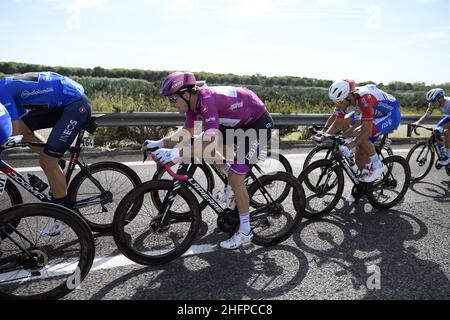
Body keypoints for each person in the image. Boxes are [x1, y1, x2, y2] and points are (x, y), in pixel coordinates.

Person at [141, 71, 274, 250]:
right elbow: (187, 133)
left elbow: (209, 138)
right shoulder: (191, 105)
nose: (171, 104)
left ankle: (245, 232)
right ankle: (230, 181)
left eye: (173, 99)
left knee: (236, 176)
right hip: (236, 122)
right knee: (207, 151)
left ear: (186, 94)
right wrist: (158, 143)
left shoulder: (206, 99)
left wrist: (174, 154)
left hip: (256, 123)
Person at [0, 72, 92, 235]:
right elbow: (18, 125)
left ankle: (63, 216)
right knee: (24, 128)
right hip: (62, 101)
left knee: (47, 162)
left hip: (76, 105)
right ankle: (59, 163)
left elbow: (12, 131)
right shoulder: (4, 85)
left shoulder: (2, 92)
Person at [327, 80, 401, 183]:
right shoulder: (345, 100)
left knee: (359, 133)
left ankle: (377, 165)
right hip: (375, 114)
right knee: (359, 153)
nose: (338, 105)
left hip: (390, 115)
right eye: (335, 102)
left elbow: (366, 130)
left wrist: (349, 145)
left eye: (339, 101)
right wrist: (323, 135)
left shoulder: (364, 98)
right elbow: (338, 122)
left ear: (349, 96)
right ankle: (363, 186)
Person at [412, 88, 450, 165]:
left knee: (445, 130)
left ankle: (448, 157)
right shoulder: (432, 105)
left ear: (441, 99)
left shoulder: (449, 103)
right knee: (437, 132)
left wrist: (442, 127)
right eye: (430, 101)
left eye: (433, 101)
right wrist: (417, 123)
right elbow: (426, 116)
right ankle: (444, 153)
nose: (432, 104)